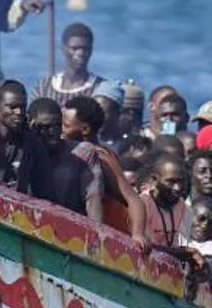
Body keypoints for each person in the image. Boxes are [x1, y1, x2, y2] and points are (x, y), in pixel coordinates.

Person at [61, 95, 149, 251]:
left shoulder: (102, 158)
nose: (59, 129)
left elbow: (134, 200)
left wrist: (137, 234)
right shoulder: (68, 150)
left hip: (109, 238)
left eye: (64, 126)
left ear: (85, 129)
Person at [0, 80, 53, 200]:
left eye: (22, 107)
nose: (19, 112)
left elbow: (45, 193)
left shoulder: (32, 145)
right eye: (12, 107)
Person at [29, 98, 104, 222]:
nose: (53, 132)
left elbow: (93, 198)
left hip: (69, 229)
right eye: (45, 127)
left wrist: (96, 234)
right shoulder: (21, 151)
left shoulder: (82, 153)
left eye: (58, 125)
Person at [32, 23, 106, 104]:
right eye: (74, 48)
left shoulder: (101, 90)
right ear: (63, 49)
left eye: (85, 49)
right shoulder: (43, 88)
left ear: (91, 50)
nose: (80, 53)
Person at [139, 154, 188, 249]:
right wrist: (181, 253)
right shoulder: (143, 204)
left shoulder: (182, 206)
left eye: (181, 181)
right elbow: (145, 246)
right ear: (154, 180)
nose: (178, 188)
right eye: (171, 181)